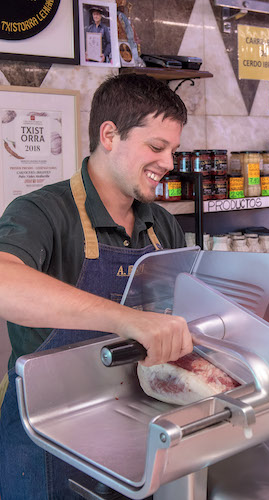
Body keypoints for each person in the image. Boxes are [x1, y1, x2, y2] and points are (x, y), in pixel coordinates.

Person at [0, 73, 194, 499]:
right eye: (157, 147)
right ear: (109, 135)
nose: (168, 163)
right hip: (46, 431)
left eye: (173, 150)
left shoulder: (162, 225)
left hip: (137, 426)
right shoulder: (42, 211)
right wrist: (128, 320)